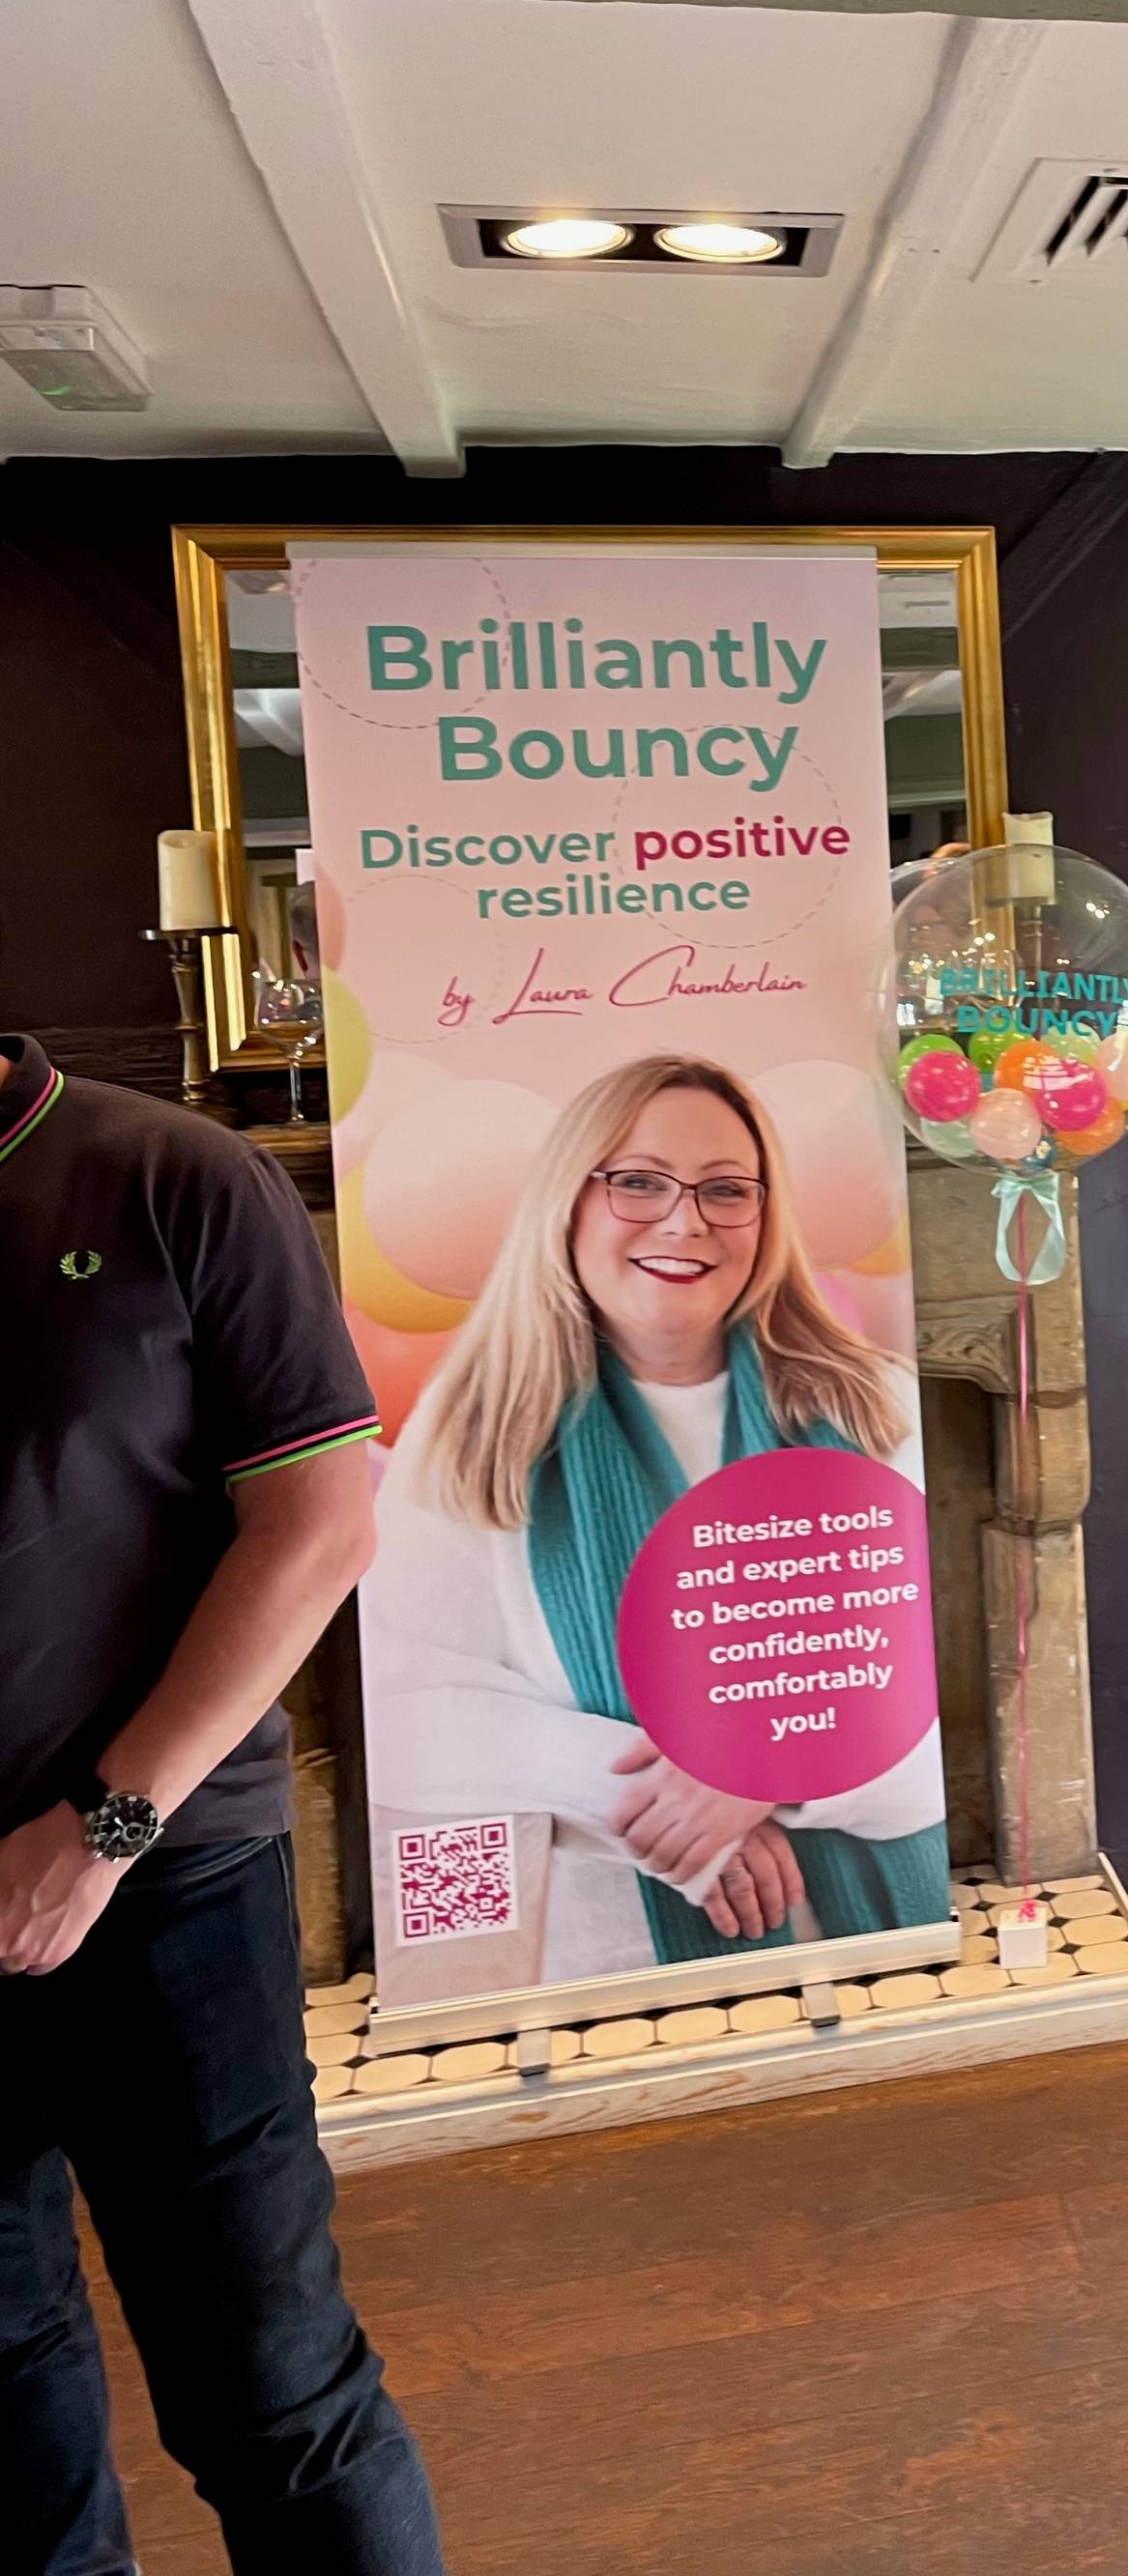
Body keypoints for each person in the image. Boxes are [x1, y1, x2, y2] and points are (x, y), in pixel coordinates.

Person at [0, 1031, 444, 2574]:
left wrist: (95, 1836)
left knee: (269, 2389)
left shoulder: (170, 1175)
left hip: (157, 1884)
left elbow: (320, 1528)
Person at [365, 1052, 947, 1981]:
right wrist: (689, 1803)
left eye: (727, 1190)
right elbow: (411, 1720)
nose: (685, 1221)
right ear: (570, 1199)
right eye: (638, 1182)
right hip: (604, 1959)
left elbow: (934, 1705)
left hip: (869, 1953)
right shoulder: (471, 1429)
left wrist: (767, 1773)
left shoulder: (878, 1408)